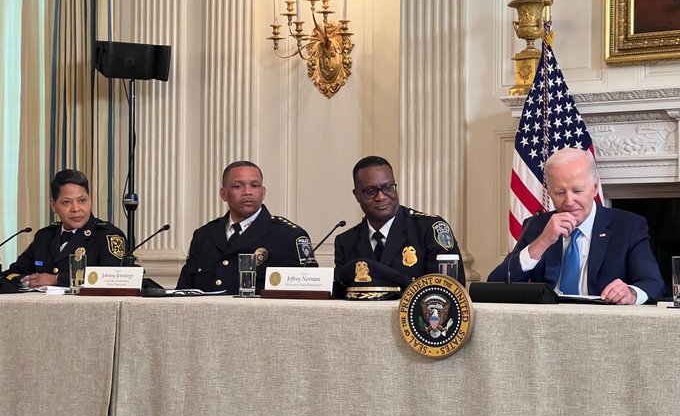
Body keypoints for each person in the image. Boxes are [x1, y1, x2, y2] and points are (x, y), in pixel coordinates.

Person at [488, 148, 666, 304]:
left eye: (577, 191)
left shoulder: (628, 226)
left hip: (603, 325)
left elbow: (654, 284)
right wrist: (542, 242)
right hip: (546, 325)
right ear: (549, 192)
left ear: (595, 188)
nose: (569, 201)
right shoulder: (537, 225)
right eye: (559, 192)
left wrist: (631, 293)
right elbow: (495, 284)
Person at [176, 160, 317, 293]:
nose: (247, 192)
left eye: (254, 186)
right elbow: (184, 291)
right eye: (238, 186)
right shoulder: (204, 235)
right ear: (223, 194)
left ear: (263, 193)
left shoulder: (288, 236)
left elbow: (311, 292)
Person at [334, 155, 466, 287]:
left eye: (387, 187)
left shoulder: (429, 230)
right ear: (357, 195)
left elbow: (449, 291)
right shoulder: (346, 242)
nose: (381, 197)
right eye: (370, 191)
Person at [2, 169, 126, 288]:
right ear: (54, 206)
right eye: (67, 202)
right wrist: (30, 280)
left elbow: (111, 279)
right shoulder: (44, 237)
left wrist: (56, 279)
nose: (76, 208)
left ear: (90, 200)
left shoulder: (107, 235)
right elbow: (11, 274)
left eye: (82, 200)